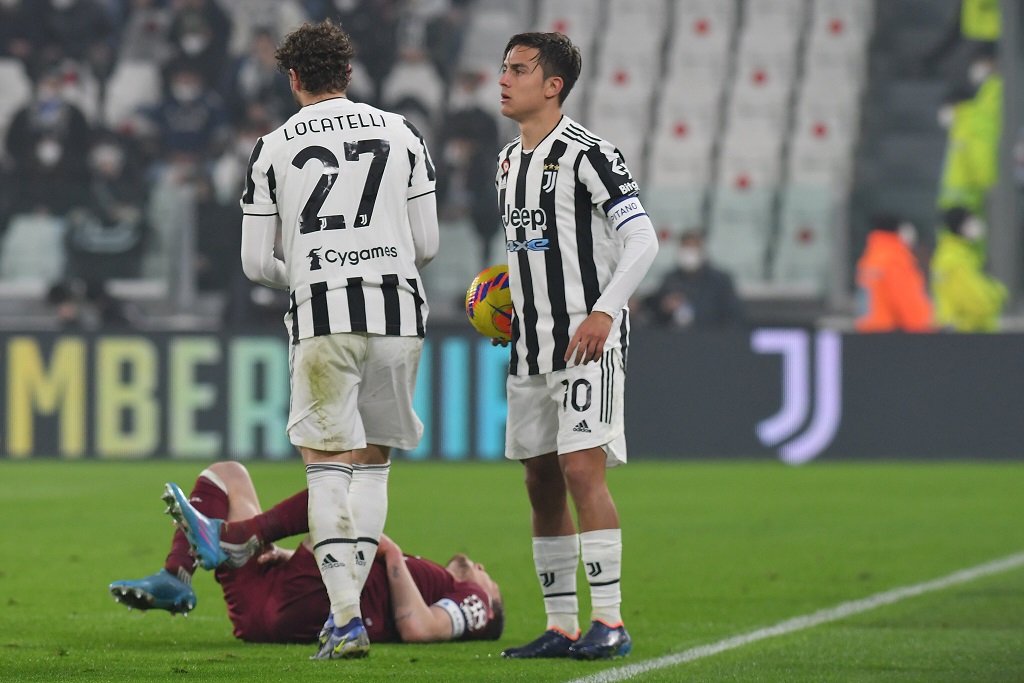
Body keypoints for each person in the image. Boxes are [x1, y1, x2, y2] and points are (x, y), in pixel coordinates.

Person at [238, 20, 439, 660]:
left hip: (324, 317)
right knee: (373, 462)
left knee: (325, 466)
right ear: (349, 73)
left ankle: (348, 617)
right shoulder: (403, 131)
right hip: (398, 313)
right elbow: (428, 244)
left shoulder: (272, 147)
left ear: (293, 78)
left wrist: (308, 271)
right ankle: (345, 616)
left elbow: (254, 263)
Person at [493, 32, 658, 660]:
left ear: (553, 85)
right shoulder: (506, 163)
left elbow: (643, 240)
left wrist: (604, 312)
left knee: (582, 470)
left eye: (518, 69)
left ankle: (609, 622)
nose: (503, 79)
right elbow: (536, 251)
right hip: (528, 345)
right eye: (503, 68)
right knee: (539, 480)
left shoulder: (590, 154)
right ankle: (561, 625)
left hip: (587, 342)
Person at [109, 462, 503, 645]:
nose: (482, 568)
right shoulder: (436, 583)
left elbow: (420, 629)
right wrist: (285, 554)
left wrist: (392, 553)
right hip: (276, 606)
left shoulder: (478, 601)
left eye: (491, 581)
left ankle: (234, 538)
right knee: (227, 475)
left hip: (312, 605)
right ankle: (177, 575)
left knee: (349, 490)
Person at [645, 228, 744, 329]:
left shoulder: (720, 280)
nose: (689, 252)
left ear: (702, 250)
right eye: (686, 246)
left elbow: (733, 314)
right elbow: (655, 314)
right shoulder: (670, 279)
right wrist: (665, 308)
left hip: (711, 334)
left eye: (693, 247)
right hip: (677, 336)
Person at [930, 206, 1006, 332]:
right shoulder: (953, 258)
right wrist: (997, 296)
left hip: (964, 330)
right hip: (966, 332)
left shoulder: (960, 254)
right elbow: (977, 304)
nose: (976, 225)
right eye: (970, 221)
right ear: (960, 227)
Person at [854, 214, 934, 333]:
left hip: (868, 330)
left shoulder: (871, 257)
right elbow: (907, 301)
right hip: (891, 333)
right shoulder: (895, 259)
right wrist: (924, 330)